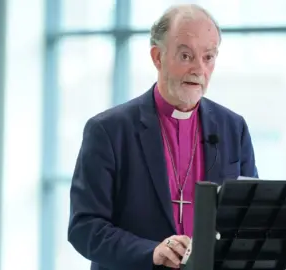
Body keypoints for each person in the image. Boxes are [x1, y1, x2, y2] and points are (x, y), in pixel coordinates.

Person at [67, 4, 258, 270]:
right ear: (158, 57)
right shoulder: (108, 131)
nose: (198, 69)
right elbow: (84, 228)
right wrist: (152, 252)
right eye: (185, 56)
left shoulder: (233, 128)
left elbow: (251, 217)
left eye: (208, 57)